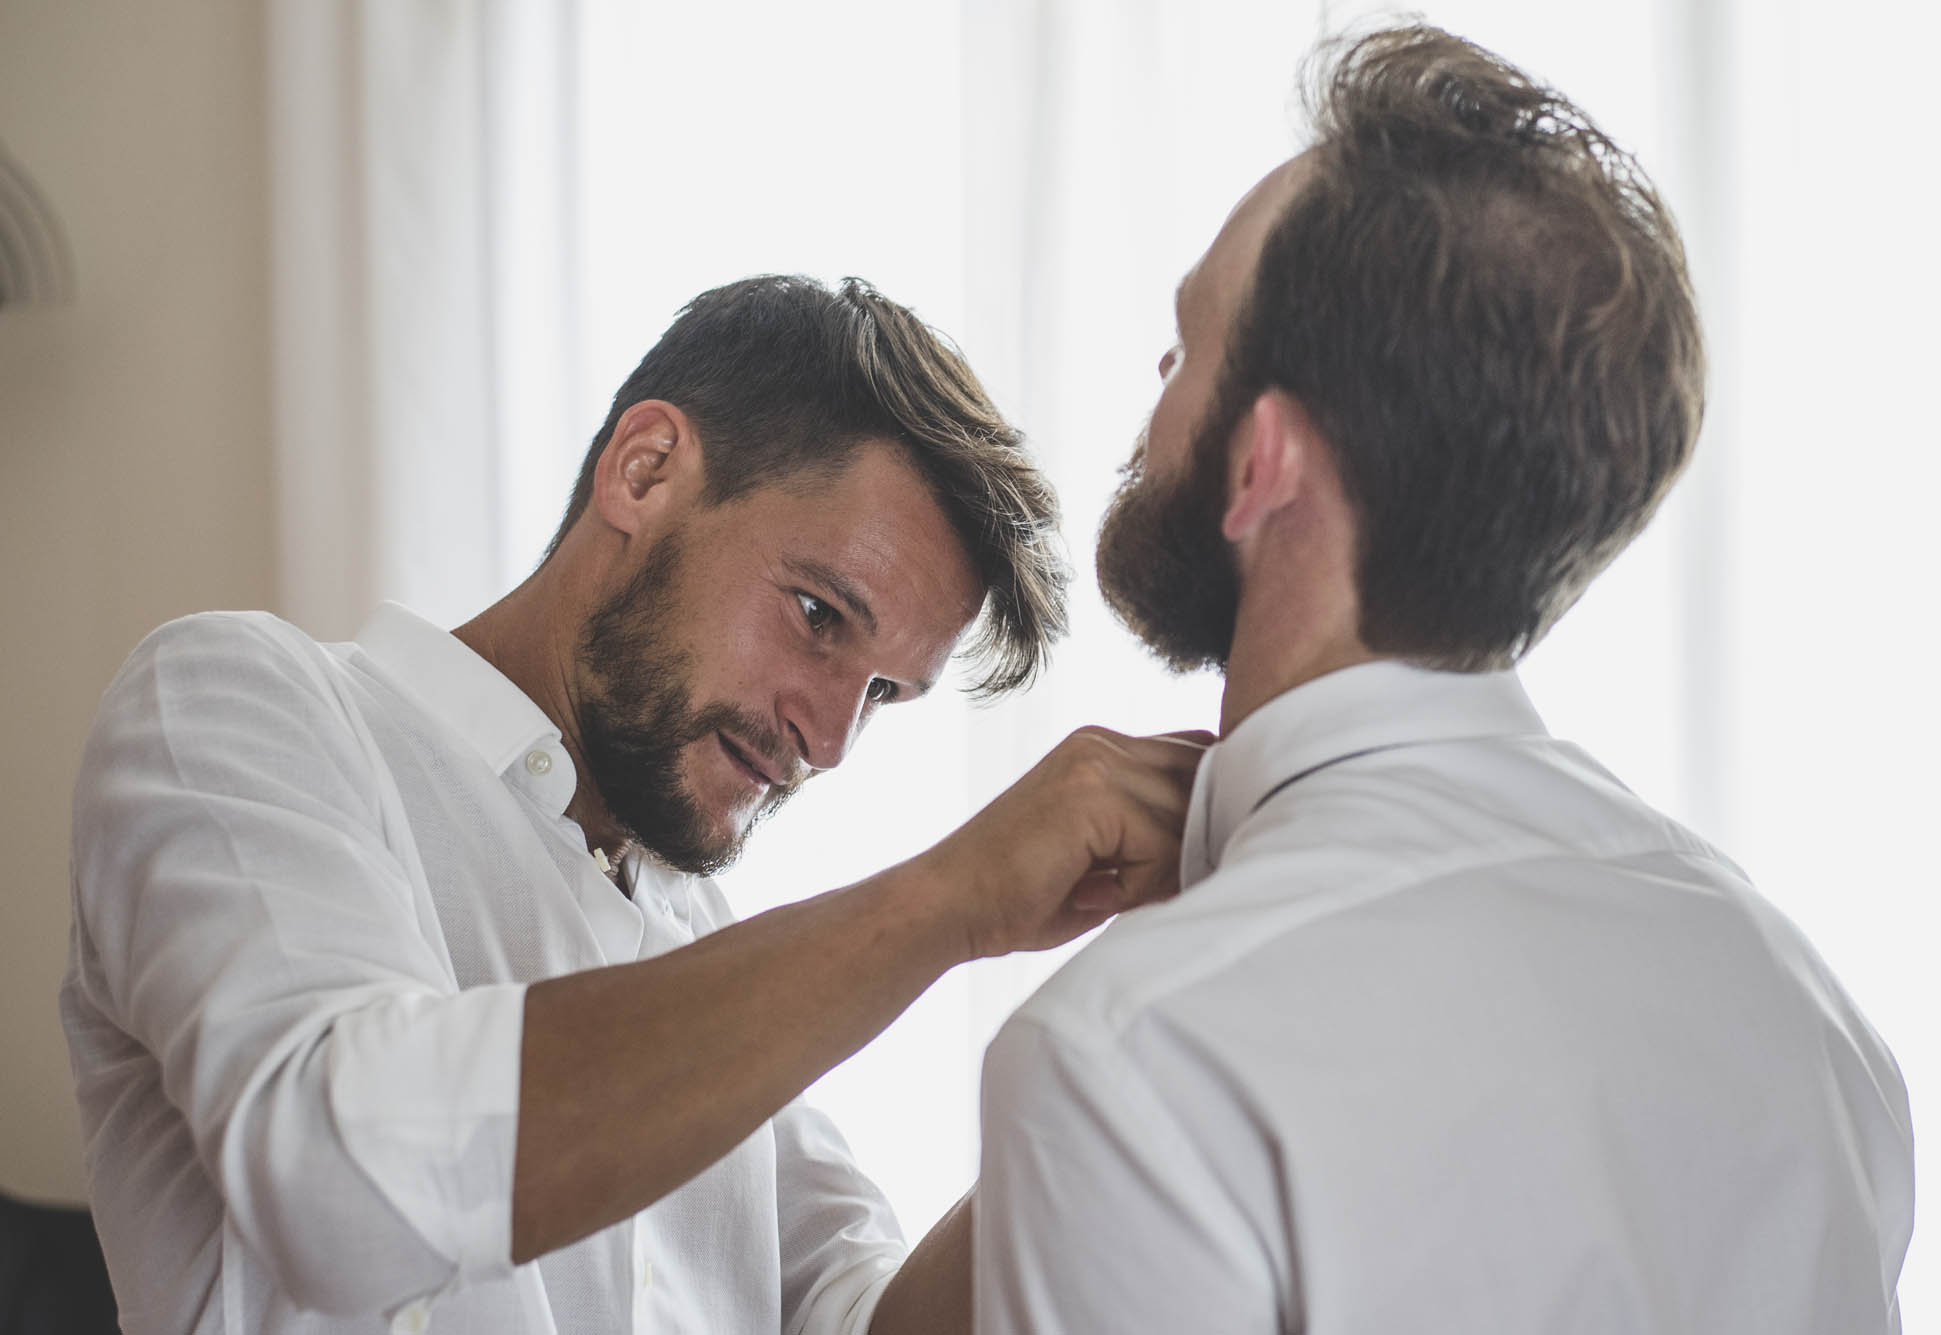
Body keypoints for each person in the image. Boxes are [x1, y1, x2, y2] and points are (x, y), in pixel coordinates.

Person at [975, 25, 1913, 1334]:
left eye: (1184, 348)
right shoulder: (1800, 1006)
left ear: (1265, 465)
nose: (1156, 389)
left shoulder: (1136, 1055)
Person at [61, 274, 1205, 1335]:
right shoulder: (243, 705)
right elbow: (344, 1177)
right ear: (645, 470)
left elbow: (864, 1320)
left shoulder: (708, 961)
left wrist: (1147, 1018)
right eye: (816, 616)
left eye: (882, 694)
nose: (829, 739)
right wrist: (947, 901)